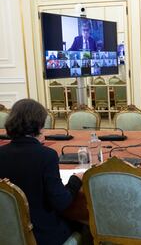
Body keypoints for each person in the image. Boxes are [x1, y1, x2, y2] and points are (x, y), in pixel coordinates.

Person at [0, 99, 83, 245]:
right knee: (85, 226)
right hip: (42, 236)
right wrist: (76, 180)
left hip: (6, 234)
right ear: (39, 124)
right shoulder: (46, 155)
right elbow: (61, 203)